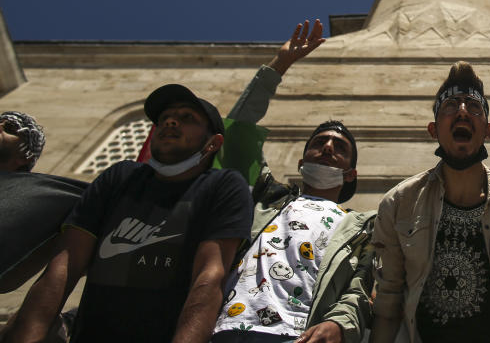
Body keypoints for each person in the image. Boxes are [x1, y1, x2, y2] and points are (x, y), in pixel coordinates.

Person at [4, 85, 253, 343]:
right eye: (164, 117)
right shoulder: (119, 177)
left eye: (187, 118)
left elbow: (209, 276)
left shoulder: (224, 186)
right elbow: (65, 264)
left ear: (213, 142)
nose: (170, 121)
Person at [209, 19, 376, 343]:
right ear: (301, 162)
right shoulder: (265, 197)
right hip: (226, 330)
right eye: (319, 143)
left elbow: (361, 287)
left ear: (350, 173)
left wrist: (340, 326)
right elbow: (238, 134)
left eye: (339, 147)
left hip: (297, 335)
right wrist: (280, 64)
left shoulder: (360, 228)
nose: (327, 147)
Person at [371, 61, 490, 343]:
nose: (462, 111)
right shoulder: (399, 203)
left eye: (473, 107)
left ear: (488, 130)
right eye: (450, 106)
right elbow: (388, 305)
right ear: (433, 129)